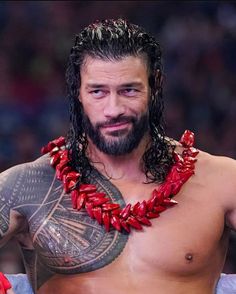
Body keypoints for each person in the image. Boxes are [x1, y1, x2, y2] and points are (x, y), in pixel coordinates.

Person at [0, 18, 236, 294]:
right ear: (77, 92)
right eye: (98, 91)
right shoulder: (27, 186)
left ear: (155, 85)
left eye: (129, 90)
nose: (113, 109)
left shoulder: (220, 180)